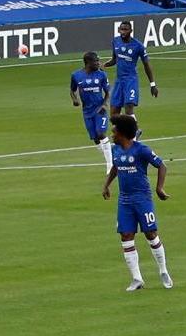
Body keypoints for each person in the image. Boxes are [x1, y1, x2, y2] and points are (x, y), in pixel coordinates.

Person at [101, 114, 171, 291]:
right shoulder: (116, 150)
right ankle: (137, 278)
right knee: (126, 236)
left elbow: (162, 166)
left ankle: (163, 270)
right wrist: (106, 185)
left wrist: (159, 188)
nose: (111, 134)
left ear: (122, 133)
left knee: (150, 233)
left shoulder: (142, 150)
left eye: (114, 131)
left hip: (142, 199)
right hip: (124, 200)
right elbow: (115, 168)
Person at [104, 19, 158, 121]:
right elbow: (115, 59)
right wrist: (105, 65)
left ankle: (135, 131)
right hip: (119, 81)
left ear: (131, 31)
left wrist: (152, 84)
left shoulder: (138, 46)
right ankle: (123, 134)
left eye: (126, 30)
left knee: (128, 108)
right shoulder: (115, 41)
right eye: (121, 29)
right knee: (114, 115)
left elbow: (146, 64)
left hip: (130, 80)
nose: (123, 32)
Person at [69, 51, 113, 171]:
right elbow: (72, 90)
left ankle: (111, 165)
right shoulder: (76, 76)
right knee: (95, 139)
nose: (99, 63)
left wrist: (105, 104)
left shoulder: (102, 75)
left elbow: (108, 91)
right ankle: (111, 155)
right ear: (88, 63)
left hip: (100, 109)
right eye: (96, 61)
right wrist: (75, 100)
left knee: (101, 133)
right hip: (87, 111)